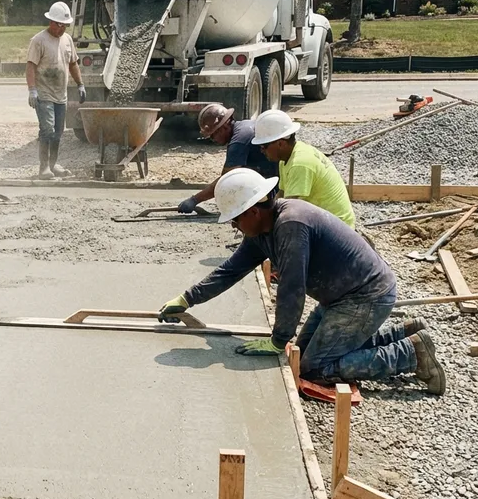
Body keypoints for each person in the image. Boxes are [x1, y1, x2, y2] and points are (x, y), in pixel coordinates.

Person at [157, 168, 445, 395]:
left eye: (235, 219)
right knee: (304, 353)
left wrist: (277, 340)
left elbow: (292, 287)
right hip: (340, 298)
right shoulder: (263, 230)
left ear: (253, 211)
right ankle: (406, 333)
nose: (234, 226)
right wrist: (187, 298)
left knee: (314, 367)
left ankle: (410, 354)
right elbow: (231, 270)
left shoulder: (291, 225)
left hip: (364, 297)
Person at [251, 109, 356, 228]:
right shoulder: (287, 158)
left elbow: (289, 210)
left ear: (281, 144)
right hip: (327, 222)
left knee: (286, 227)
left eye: (264, 146)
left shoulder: (299, 164)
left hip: (337, 229)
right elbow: (282, 194)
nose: (262, 150)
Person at [177, 103, 279, 214]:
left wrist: (194, 200)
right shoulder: (243, 127)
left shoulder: (238, 141)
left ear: (224, 126)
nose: (212, 139)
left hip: (276, 185)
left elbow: (226, 180)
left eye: (212, 135)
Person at [26, 1, 86, 180]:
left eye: (66, 26)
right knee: (47, 129)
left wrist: (80, 84)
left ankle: (53, 164)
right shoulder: (39, 40)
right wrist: (32, 90)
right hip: (44, 94)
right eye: (61, 25)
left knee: (58, 131)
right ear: (52, 22)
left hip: (61, 95)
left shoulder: (67, 40)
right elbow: (30, 67)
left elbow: (73, 63)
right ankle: (43, 167)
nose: (63, 29)